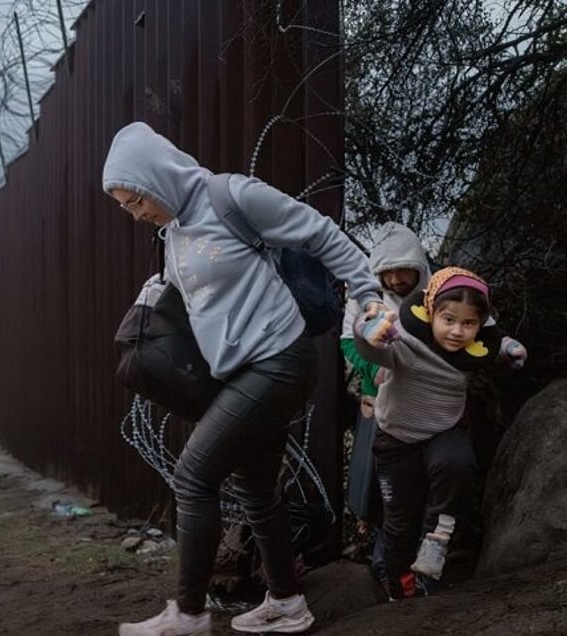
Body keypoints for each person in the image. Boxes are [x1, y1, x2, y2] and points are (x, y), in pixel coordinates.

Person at [104, 122, 384, 635]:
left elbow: (320, 232)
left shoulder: (231, 196)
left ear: (157, 179)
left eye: (136, 200)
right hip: (241, 373)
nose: (136, 214)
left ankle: (189, 615)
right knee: (255, 488)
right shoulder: (174, 233)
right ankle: (286, 602)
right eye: (126, 208)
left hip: (279, 360)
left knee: (194, 476)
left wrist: (368, 295)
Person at [353, 266, 527, 599]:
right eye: (448, 320)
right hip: (397, 439)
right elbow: (372, 349)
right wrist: (367, 329)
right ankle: (400, 586)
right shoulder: (406, 342)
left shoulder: (472, 353)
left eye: (469, 324)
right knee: (399, 521)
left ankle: (436, 542)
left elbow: (496, 340)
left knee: (457, 463)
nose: (457, 331)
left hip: (442, 430)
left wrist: (510, 350)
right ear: (430, 312)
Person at [341, 222, 432, 587]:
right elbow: (349, 342)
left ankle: (421, 563)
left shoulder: (435, 296)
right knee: (377, 486)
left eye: (403, 270)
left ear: (418, 265)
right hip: (377, 400)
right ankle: (384, 563)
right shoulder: (363, 297)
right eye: (387, 272)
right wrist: (373, 369)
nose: (395, 280)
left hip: (424, 404)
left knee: (419, 482)